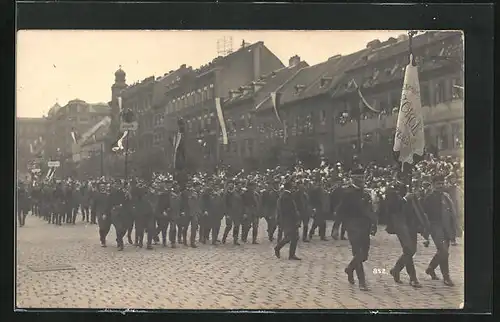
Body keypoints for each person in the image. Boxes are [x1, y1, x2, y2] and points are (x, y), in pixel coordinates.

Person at [335, 168, 377, 291]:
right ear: (353, 178)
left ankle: (349, 269)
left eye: (363, 177)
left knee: (364, 255)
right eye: (359, 178)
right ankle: (362, 282)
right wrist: (336, 227)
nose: (362, 180)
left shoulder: (366, 193)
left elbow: (370, 211)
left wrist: (373, 224)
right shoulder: (347, 193)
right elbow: (340, 210)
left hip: (365, 226)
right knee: (358, 253)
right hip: (352, 225)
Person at [421, 175, 457, 287]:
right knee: (444, 251)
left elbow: (452, 212)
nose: (440, 186)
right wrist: (425, 233)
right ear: (433, 185)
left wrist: (454, 227)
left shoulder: (446, 196)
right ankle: (446, 277)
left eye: (442, 183)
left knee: (443, 251)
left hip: (446, 226)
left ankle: (431, 268)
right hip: (435, 226)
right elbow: (424, 215)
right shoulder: (428, 198)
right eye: (438, 184)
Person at [274, 177, 301, 260]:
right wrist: (296, 219)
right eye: (292, 186)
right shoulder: (286, 196)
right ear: (289, 187)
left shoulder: (286, 195)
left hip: (288, 220)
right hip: (289, 220)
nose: (294, 187)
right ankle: (278, 248)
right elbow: (289, 210)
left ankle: (291, 254)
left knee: (293, 237)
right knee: (290, 237)